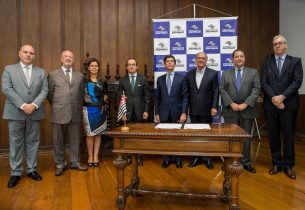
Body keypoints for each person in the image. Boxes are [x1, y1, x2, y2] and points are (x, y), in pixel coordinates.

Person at [2, 44, 48, 188]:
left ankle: (31, 169)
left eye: (31, 53)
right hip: (16, 112)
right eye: (26, 52)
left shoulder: (41, 72)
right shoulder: (9, 69)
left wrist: (33, 105)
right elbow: (6, 88)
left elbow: (44, 90)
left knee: (33, 141)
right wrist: (23, 105)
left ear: (34, 56)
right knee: (16, 143)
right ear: (19, 54)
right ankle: (15, 172)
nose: (28, 55)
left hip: (34, 112)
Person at [261, 35, 303, 179]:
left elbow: (297, 81)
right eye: (274, 44)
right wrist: (275, 98)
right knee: (273, 135)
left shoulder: (295, 61)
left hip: (289, 105)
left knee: (288, 136)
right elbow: (264, 82)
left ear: (286, 45)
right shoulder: (267, 63)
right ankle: (277, 163)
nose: (277, 46)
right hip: (270, 105)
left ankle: (288, 165)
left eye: (280, 43)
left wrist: (282, 97)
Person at [220, 49, 260, 173]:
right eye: (236, 56)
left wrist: (246, 104)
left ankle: (246, 162)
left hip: (247, 110)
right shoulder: (225, 73)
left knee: (246, 137)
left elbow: (256, 89)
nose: (239, 58)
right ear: (232, 59)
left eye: (241, 56)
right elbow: (221, 89)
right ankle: (230, 161)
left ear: (244, 58)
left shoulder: (253, 72)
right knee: (231, 138)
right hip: (230, 110)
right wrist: (231, 103)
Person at [48, 50, 87, 176]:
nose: (68, 58)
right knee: (58, 139)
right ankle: (59, 163)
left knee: (75, 139)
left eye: (71, 57)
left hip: (75, 112)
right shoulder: (53, 74)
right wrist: (57, 105)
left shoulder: (80, 76)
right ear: (61, 59)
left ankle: (75, 162)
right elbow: (49, 94)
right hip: (59, 112)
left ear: (73, 60)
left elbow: (81, 94)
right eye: (66, 56)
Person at [186, 52, 219, 169]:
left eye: (203, 58)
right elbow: (187, 93)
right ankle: (196, 157)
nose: (200, 60)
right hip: (194, 109)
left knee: (207, 135)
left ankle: (207, 158)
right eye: (198, 58)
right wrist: (185, 110)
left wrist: (214, 107)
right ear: (195, 60)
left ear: (206, 60)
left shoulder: (213, 73)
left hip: (207, 109)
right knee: (195, 135)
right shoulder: (189, 74)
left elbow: (216, 91)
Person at [155, 55, 188, 168]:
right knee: (165, 137)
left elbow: (185, 97)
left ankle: (178, 158)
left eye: (171, 61)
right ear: (164, 64)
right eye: (167, 61)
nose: (169, 63)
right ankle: (167, 158)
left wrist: (184, 112)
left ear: (174, 64)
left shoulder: (182, 78)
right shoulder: (160, 79)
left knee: (178, 137)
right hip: (163, 112)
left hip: (177, 112)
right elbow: (157, 98)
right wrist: (157, 113)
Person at [118, 58, 150, 166]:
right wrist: (122, 113)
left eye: (133, 64)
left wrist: (146, 110)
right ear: (126, 67)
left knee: (139, 135)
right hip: (127, 112)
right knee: (128, 135)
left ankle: (139, 156)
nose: (131, 66)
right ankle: (129, 156)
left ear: (137, 66)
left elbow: (147, 97)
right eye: (129, 65)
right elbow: (119, 98)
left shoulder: (143, 79)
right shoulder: (122, 80)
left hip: (140, 111)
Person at [83, 57, 108, 167]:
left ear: (98, 68)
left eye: (96, 66)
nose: (94, 67)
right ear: (88, 68)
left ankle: (96, 156)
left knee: (98, 134)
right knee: (89, 134)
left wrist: (101, 105)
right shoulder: (84, 81)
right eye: (92, 66)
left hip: (100, 110)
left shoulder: (102, 81)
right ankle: (90, 156)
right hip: (88, 110)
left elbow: (105, 95)